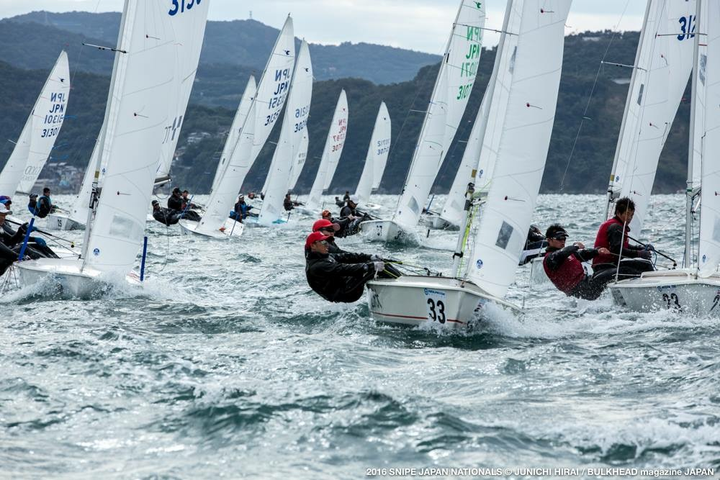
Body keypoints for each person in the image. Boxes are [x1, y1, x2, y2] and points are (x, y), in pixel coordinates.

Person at [304, 231, 386, 303]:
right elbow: (343, 268)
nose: (327, 245)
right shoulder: (317, 266)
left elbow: (347, 256)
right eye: (323, 242)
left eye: (327, 242)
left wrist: (369, 257)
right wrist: (370, 266)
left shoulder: (325, 257)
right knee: (371, 268)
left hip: (345, 284)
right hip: (345, 293)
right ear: (313, 246)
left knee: (374, 264)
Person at [543, 224, 616, 301]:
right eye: (559, 239)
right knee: (618, 272)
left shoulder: (567, 254)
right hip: (581, 290)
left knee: (614, 268)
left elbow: (582, 254)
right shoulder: (550, 258)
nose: (563, 241)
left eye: (564, 239)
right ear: (549, 240)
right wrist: (576, 246)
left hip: (586, 283)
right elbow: (561, 254)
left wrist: (597, 251)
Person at [593, 197, 655, 276]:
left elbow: (624, 246)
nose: (629, 218)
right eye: (627, 214)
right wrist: (639, 254)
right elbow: (617, 250)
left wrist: (641, 248)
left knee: (646, 265)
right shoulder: (615, 227)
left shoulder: (618, 225)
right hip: (603, 267)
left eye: (631, 215)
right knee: (633, 271)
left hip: (612, 265)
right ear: (618, 213)